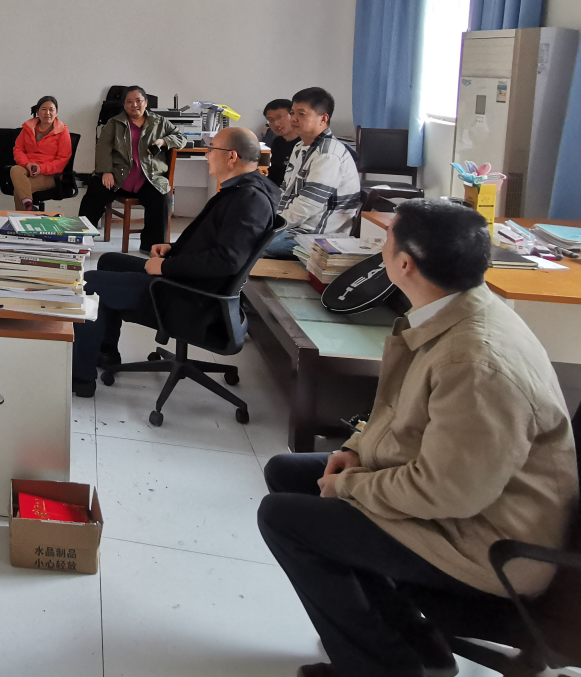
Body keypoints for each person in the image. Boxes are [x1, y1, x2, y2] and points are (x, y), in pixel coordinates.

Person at [258, 199, 577, 677]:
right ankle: (415, 644)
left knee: (285, 519)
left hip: (487, 542)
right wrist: (353, 451)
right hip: (465, 504)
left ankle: (382, 669)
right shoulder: (453, 312)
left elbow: (449, 492)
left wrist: (350, 486)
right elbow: (399, 416)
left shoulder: (477, 362)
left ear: (404, 264)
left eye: (385, 241)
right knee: (288, 473)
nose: (379, 250)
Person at [71, 127, 279, 397]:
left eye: (212, 149)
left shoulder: (249, 200)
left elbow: (227, 260)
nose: (207, 155)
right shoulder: (243, 190)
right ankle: (105, 352)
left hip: (190, 298)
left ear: (232, 156)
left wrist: (165, 267)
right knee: (110, 261)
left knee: (90, 284)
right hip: (190, 282)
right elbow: (215, 243)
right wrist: (174, 249)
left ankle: (81, 379)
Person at [78, 86, 187, 250]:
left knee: (162, 199)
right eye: (129, 102)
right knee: (94, 192)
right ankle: (80, 240)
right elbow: (103, 148)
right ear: (124, 105)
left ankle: (152, 247)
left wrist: (163, 141)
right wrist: (106, 171)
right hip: (118, 178)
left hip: (148, 178)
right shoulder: (114, 123)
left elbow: (181, 138)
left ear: (146, 102)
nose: (134, 105)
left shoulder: (159, 122)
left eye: (138, 101)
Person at [263, 87, 362, 260]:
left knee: (249, 246)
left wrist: (272, 225)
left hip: (318, 235)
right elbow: (285, 192)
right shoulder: (300, 147)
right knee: (242, 235)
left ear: (323, 118)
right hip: (296, 226)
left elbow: (306, 205)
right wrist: (268, 220)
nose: (294, 119)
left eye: (301, 114)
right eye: (292, 113)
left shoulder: (328, 154)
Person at [11, 96, 73, 211]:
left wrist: (42, 168)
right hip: (28, 167)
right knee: (15, 169)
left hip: (49, 174)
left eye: (51, 109)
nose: (47, 113)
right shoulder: (27, 128)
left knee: (20, 190)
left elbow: (63, 159)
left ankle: (25, 213)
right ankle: (29, 206)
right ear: (38, 111)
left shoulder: (62, 132)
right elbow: (18, 149)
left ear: (56, 112)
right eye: (44, 109)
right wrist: (27, 164)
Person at [262, 98, 298, 186]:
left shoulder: (305, 143)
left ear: (293, 115)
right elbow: (273, 174)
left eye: (279, 117)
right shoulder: (277, 142)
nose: (276, 124)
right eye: (270, 120)